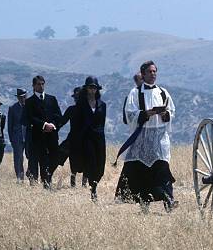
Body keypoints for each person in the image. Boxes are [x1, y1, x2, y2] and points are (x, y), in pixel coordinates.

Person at [119, 61, 178, 212]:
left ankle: (168, 200)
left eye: (154, 71)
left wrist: (165, 114)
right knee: (141, 173)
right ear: (143, 74)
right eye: (150, 72)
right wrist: (145, 114)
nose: (153, 74)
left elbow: (172, 111)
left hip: (159, 139)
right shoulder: (135, 93)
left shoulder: (163, 92)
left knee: (162, 170)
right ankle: (144, 204)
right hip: (142, 139)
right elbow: (130, 114)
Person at [23, 75, 62, 189]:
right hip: (37, 138)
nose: (41, 86)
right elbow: (29, 118)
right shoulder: (29, 102)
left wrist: (53, 125)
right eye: (38, 84)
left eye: (42, 84)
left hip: (52, 137)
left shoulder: (52, 99)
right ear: (33, 86)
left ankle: (47, 180)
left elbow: (58, 115)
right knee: (39, 161)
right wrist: (44, 125)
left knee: (53, 159)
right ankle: (42, 183)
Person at [73, 76, 106, 200]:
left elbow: (102, 123)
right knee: (91, 164)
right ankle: (93, 189)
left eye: (94, 88)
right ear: (86, 89)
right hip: (86, 139)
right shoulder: (80, 105)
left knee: (100, 167)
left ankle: (95, 184)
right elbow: (77, 123)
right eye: (90, 87)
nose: (92, 90)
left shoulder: (103, 105)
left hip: (99, 139)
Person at [115, 73, 143, 202]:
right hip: (137, 135)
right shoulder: (131, 97)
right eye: (140, 79)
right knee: (131, 165)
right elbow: (126, 119)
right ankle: (123, 194)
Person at [58, 87, 88, 187]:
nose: (77, 99)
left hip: (78, 140)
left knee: (78, 163)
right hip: (79, 140)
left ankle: (76, 185)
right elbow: (61, 122)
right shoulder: (86, 110)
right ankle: (78, 185)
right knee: (77, 162)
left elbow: (61, 122)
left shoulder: (74, 110)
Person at [8, 88, 28, 181]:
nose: (22, 99)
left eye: (24, 97)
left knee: (31, 157)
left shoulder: (30, 106)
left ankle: (32, 176)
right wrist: (12, 139)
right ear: (18, 98)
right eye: (20, 97)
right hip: (17, 138)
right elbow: (10, 126)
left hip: (29, 137)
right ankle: (20, 178)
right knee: (18, 159)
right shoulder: (12, 108)